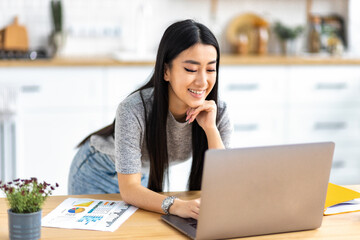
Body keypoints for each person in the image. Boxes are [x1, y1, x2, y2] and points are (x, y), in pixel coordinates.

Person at [68, 19, 232, 220]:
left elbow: (225, 185)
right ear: (166, 71)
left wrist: (210, 129)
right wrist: (176, 205)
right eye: (191, 69)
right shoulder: (133, 109)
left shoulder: (217, 111)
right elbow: (129, 190)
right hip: (99, 172)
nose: (202, 81)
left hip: (139, 178)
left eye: (210, 69)